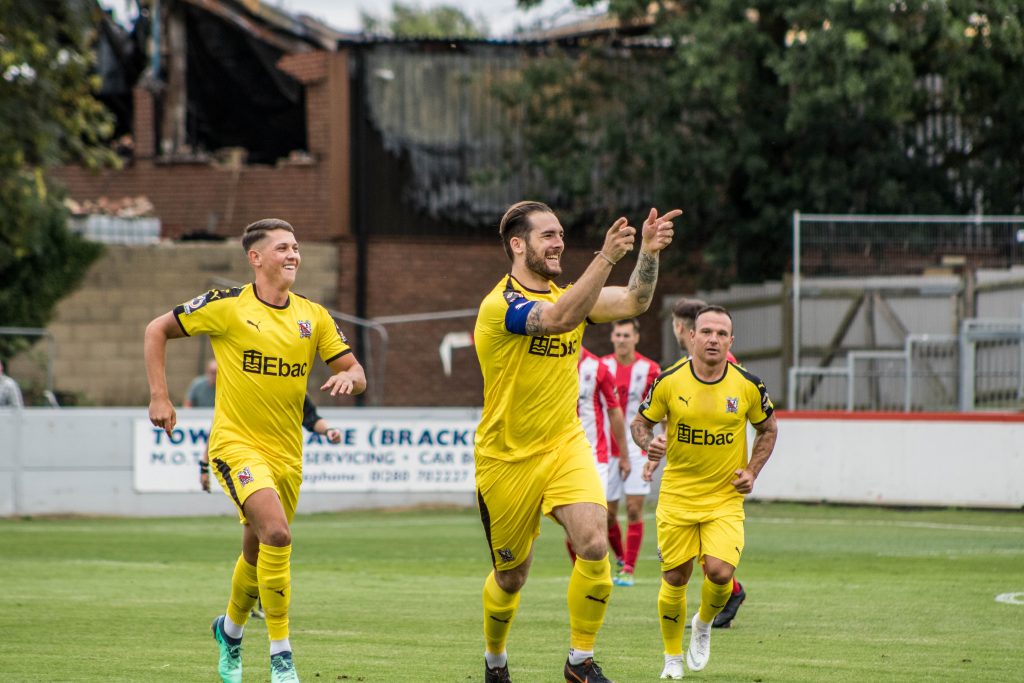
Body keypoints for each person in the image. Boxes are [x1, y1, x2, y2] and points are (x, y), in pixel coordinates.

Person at [145, 218, 366, 683]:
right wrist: (160, 395)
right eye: (283, 247)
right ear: (256, 257)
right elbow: (156, 330)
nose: (293, 255)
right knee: (278, 535)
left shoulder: (314, 316)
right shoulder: (227, 306)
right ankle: (282, 656)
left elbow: (356, 370)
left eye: (297, 248)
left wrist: (350, 376)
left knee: (255, 551)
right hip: (236, 446)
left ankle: (228, 631)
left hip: (287, 454)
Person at [473, 200, 680, 683]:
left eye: (561, 234)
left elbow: (635, 302)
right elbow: (562, 317)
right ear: (518, 245)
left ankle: (579, 661)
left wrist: (647, 252)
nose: (559, 242)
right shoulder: (500, 304)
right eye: (548, 235)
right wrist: (606, 255)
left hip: (565, 444)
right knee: (511, 577)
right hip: (506, 459)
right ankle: (495, 660)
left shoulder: (570, 294)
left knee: (592, 544)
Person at [631, 304, 778, 679]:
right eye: (707, 332)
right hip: (678, 496)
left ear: (731, 340)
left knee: (720, 571)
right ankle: (671, 658)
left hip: (724, 496)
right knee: (676, 578)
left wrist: (752, 471)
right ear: (692, 336)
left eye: (721, 334)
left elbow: (768, 429)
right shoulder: (668, 381)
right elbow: (640, 423)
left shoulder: (748, 384)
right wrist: (649, 445)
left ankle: (703, 623)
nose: (713, 339)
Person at [197, 393, 344, 621]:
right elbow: (218, 426)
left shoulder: (288, 379)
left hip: (283, 466)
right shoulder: (243, 384)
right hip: (250, 463)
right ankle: (263, 615)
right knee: (269, 533)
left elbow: (311, 416)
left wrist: (328, 431)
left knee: (271, 537)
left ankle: (236, 621)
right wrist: (204, 465)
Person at [671, 298, 745, 628]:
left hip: (719, 481)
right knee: (701, 556)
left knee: (712, 556)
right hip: (688, 480)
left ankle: (732, 593)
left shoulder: (726, 367)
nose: (713, 338)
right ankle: (729, 594)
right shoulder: (681, 370)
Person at [601, 318, 660, 587]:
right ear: (612, 337)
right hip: (606, 450)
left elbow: (661, 409)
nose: (622, 339)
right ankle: (622, 558)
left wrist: (658, 442)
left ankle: (629, 568)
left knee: (634, 509)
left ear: (636, 338)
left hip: (636, 450)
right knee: (607, 515)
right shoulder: (602, 367)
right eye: (618, 334)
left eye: (627, 335)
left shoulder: (650, 370)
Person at [567, 346, 630, 563]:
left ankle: (619, 560)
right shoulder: (553, 362)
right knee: (573, 525)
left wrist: (624, 455)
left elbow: (614, 411)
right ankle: (582, 576)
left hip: (595, 456)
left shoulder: (598, 368)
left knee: (599, 520)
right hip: (562, 456)